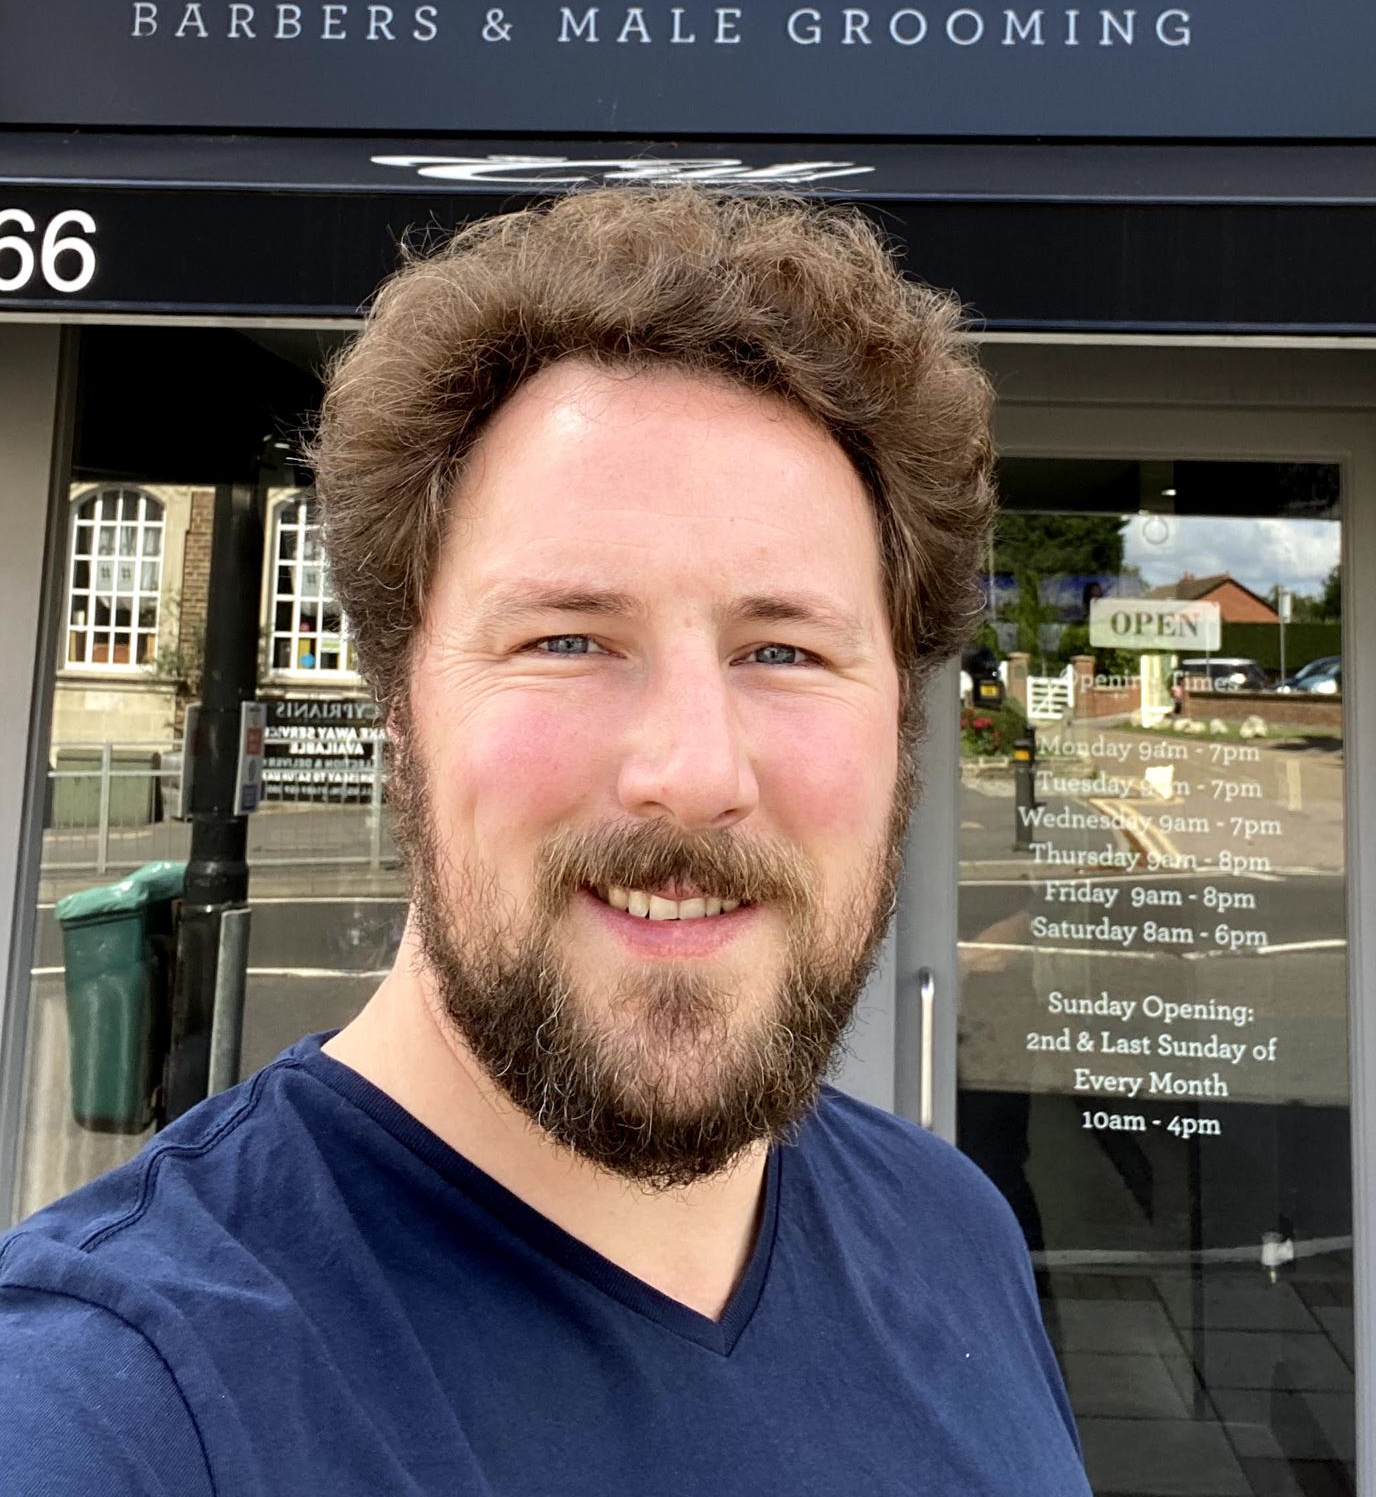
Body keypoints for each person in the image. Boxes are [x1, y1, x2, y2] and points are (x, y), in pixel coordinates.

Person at [0, 190, 1090, 1496]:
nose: (692, 773)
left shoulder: (954, 1234)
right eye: (567, 639)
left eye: (785, 651)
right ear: (399, 704)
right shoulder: (117, 1405)